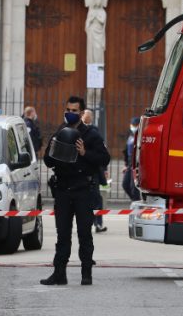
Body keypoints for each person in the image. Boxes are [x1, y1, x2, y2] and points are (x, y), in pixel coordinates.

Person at [41, 95, 110, 286]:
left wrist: (84, 153)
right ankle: (59, 273)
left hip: (83, 191)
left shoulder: (90, 135)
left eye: (74, 111)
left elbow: (104, 158)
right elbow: (47, 159)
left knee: (84, 234)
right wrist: (57, 149)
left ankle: (86, 273)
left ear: (81, 113)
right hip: (63, 189)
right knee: (62, 234)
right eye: (68, 110)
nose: (70, 114)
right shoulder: (60, 131)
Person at [81, 109, 108, 233]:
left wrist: (105, 168)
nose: (87, 118)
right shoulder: (75, 130)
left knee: (96, 198)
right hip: (79, 171)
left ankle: (98, 223)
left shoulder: (95, 131)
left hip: (93, 171)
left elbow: (102, 152)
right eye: (85, 115)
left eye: (89, 116)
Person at [122, 117, 141, 201]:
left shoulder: (141, 136)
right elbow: (126, 151)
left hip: (137, 165)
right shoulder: (131, 136)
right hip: (130, 164)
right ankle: (135, 202)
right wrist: (126, 164)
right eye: (132, 125)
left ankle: (136, 204)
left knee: (134, 188)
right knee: (125, 184)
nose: (133, 127)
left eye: (135, 125)